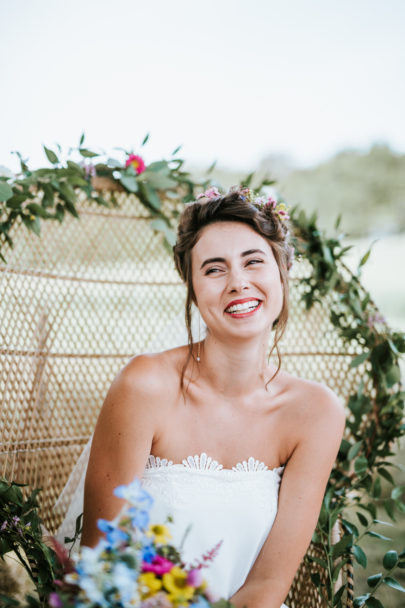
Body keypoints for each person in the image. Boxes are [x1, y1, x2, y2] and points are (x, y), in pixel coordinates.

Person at [79, 186, 345, 608]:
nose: (238, 283)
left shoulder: (316, 412)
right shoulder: (145, 385)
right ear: (192, 286)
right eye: (214, 269)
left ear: (283, 271)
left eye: (254, 261)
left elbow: (267, 587)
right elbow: (101, 557)